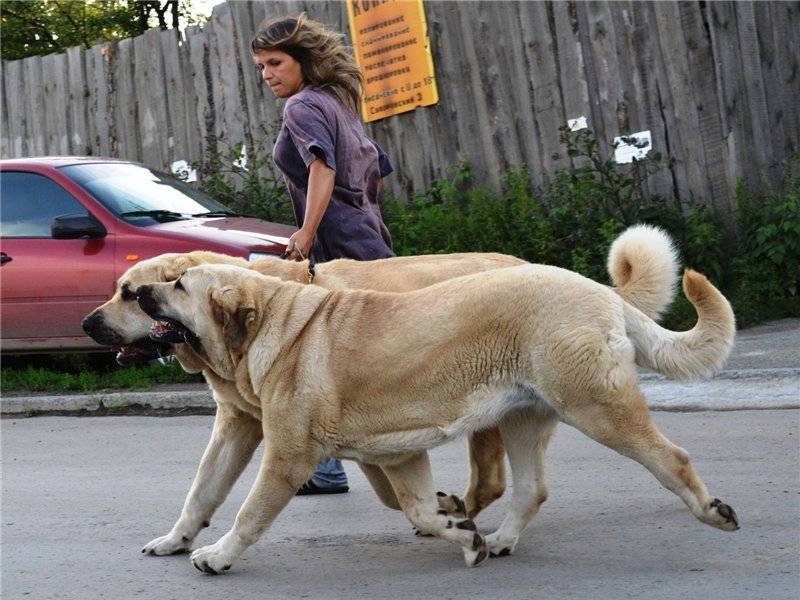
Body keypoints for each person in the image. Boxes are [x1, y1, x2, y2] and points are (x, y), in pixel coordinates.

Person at [251, 14, 395, 494]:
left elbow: (323, 168)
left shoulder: (302, 107)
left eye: (275, 63)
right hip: (368, 241)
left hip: (341, 252)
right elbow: (376, 168)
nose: (267, 73)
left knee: (357, 367)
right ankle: (327, 467)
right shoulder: (337, 103)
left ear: (302, 62)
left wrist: (308, 231)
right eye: (260, 66)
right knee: (337, 362)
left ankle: (400, 484)